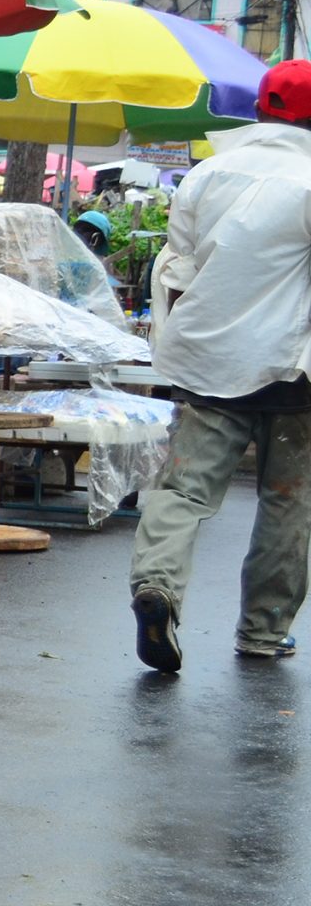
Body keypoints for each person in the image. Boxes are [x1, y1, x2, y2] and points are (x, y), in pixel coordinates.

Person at [128, 60, 311, 670]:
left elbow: (178, 269)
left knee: (181, 491)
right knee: (288, 503)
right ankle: (262, 633)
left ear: (261, 108)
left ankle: (156, 586)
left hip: (206, 362)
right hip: (293, 373)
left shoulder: (206, 174)